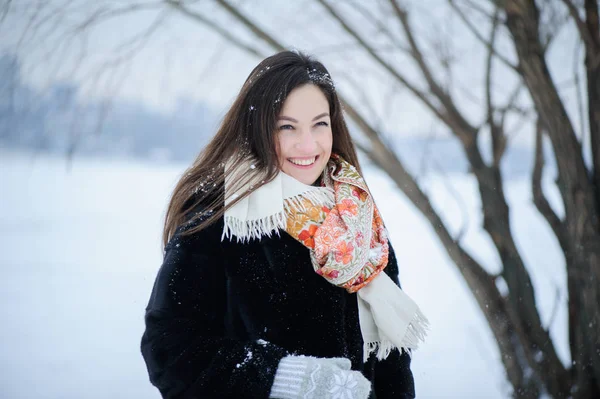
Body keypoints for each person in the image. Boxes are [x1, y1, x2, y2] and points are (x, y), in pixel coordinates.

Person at [140, 50, 428, 399]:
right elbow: (170, 352)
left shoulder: (358, 219)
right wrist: (289, 379)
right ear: (258, 128)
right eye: (287, 126)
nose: (307, 145)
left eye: (319, 124)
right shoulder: (218, 221)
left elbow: (391, 361)